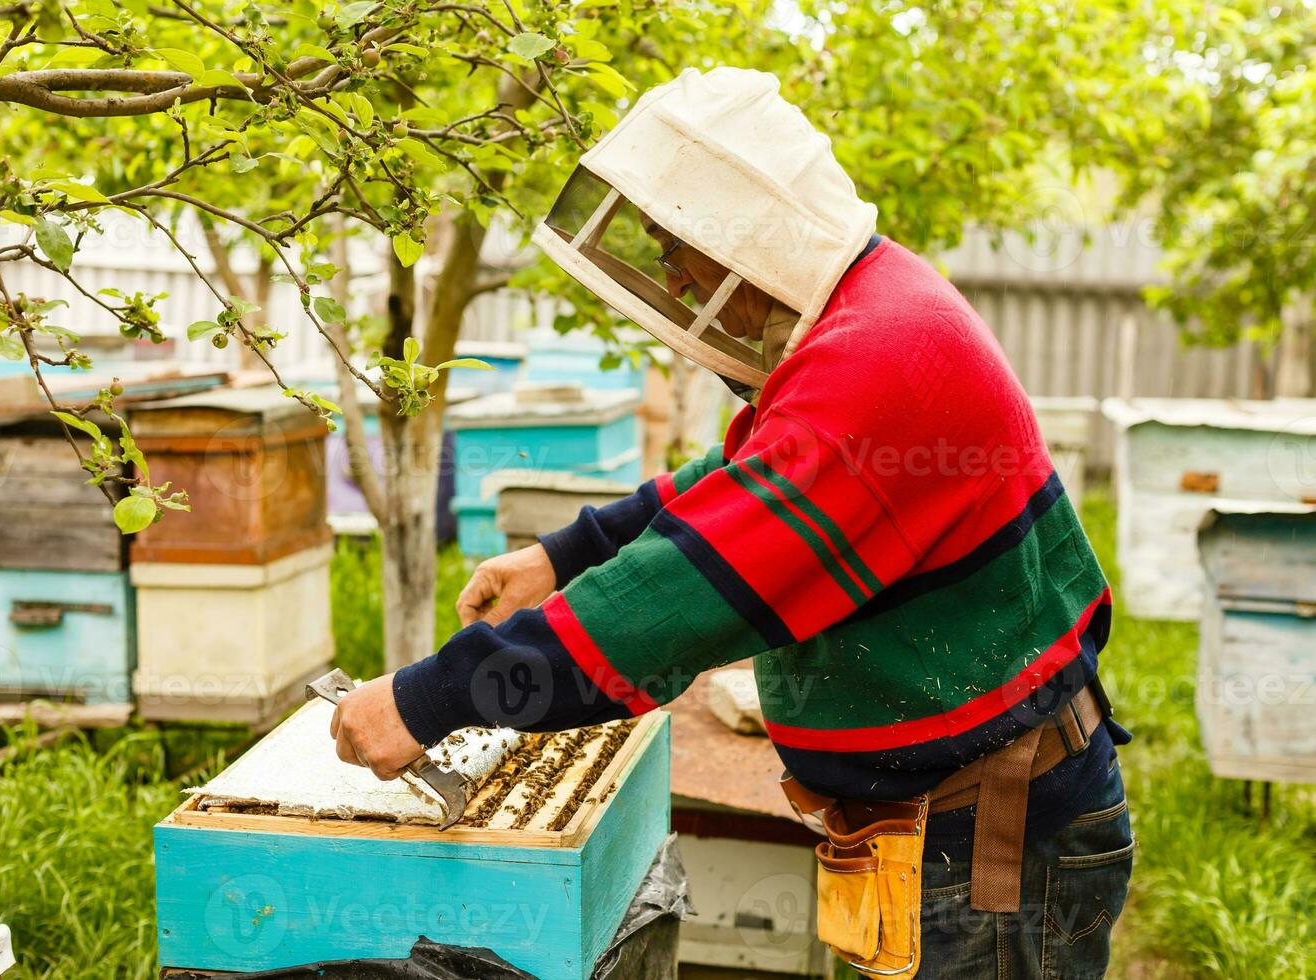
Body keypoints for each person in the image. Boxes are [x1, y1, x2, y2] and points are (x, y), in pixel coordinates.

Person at [331, 66, 1133, 979]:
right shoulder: (868, 309)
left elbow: (667, 609)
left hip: (989, 851)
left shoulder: (877, 362)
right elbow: (739, 478)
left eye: (681, 249)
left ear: (749, 238)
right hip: (955, 821)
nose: (671, 272)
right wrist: (566, 554)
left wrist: (427, 699)